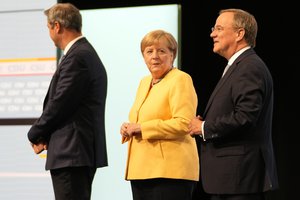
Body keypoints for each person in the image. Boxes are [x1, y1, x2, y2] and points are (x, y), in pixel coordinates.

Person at [188, 8, 279, 200]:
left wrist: (204, 127)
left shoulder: (249, 67)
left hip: (240, 178)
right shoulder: (239, 66)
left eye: (219, 28)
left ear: (240, 34)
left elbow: (245, 117)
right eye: (214, 28)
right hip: (231, 179)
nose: (213, 34)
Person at [27, 3, 108, 200]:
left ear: (57, 26)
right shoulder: (81, 53)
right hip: (73, 152)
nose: (49, 32)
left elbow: (60, 103)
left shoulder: (78, 57)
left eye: (48, 27)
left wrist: (35, 133)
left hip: (72, 154)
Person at [120, 29, 199, 200]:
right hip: (141, 170)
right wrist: (128, 127)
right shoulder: (144, 82)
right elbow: (141, 118)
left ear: (172, 55)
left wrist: (141, 128)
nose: (154, 56)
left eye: (161, 51)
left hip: (169, 172)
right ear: (144, 57)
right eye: (149, 51)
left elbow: (184, 123)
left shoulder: (181, 79)